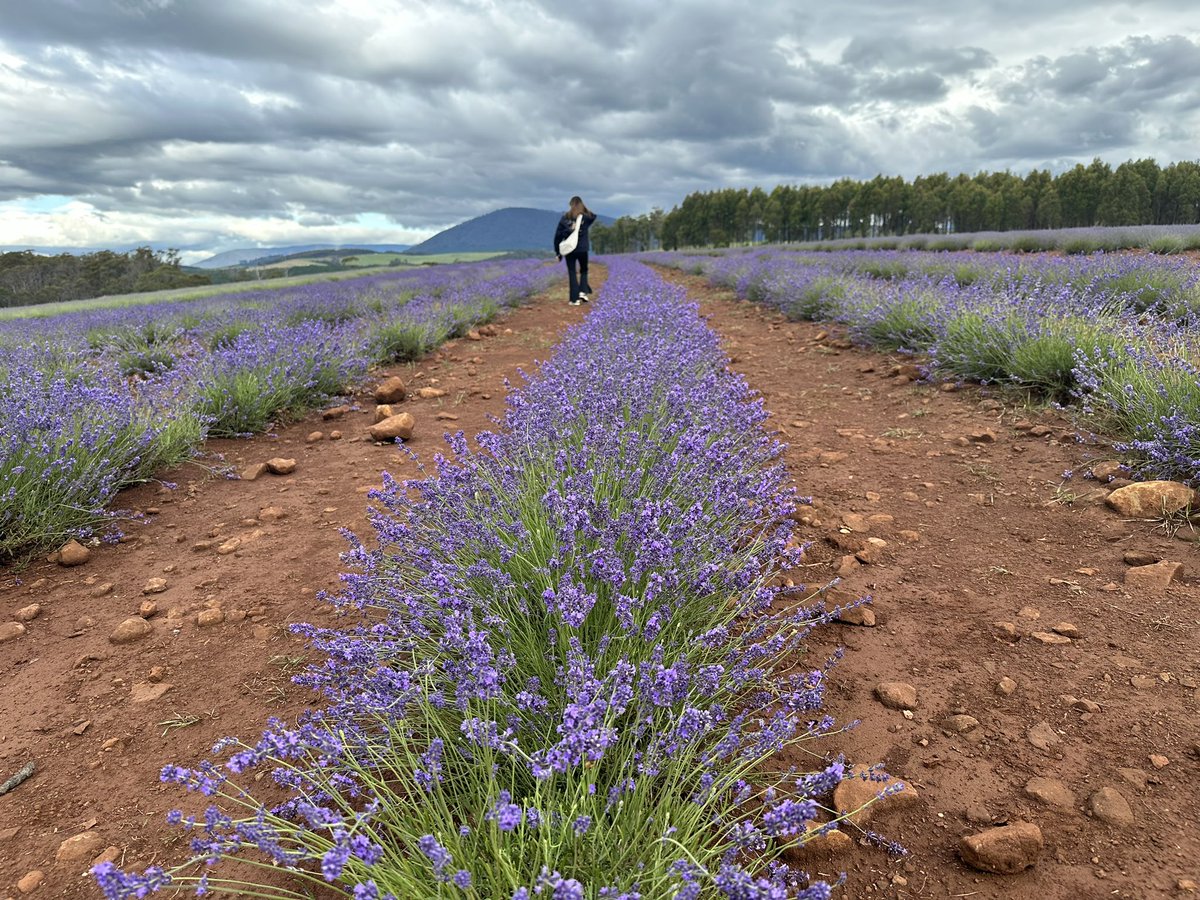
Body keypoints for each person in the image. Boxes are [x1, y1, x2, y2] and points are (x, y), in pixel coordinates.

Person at [553, 196, 598, 305]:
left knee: (572, 272)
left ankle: (574, 299)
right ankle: (583, 291)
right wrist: (584, 209)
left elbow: (557, 236)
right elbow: (594, 216)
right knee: (584, 270)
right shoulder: (586, 218)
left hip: (570, 250)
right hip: (583, 249)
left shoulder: (565, 218)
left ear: (570, 205)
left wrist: (558, 253)